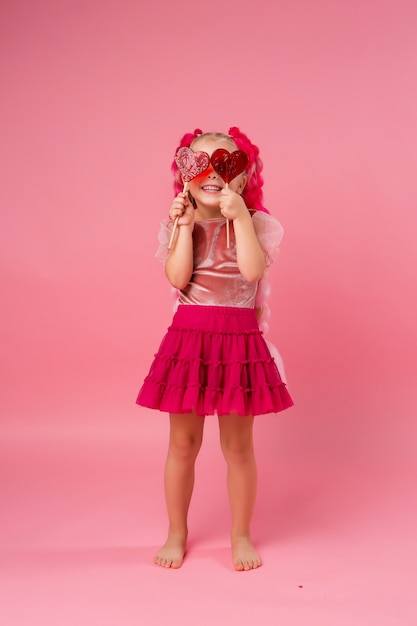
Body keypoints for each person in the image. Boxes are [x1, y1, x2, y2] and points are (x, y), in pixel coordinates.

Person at [136, 127, 293, 571]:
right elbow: (177, 278)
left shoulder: (256, 224)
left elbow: (250, 270)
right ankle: (176, 532)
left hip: (239, 342)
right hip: (189, 342)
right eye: (199, 165)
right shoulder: (177, 224)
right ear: (185, 177)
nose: (211, 173)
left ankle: (240, 535)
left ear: (241, 179)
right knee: (183, 443)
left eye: (224, 165)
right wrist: (183, 227)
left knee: (239, 448)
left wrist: (241, 217)